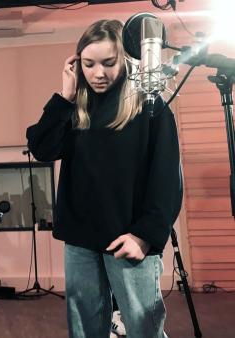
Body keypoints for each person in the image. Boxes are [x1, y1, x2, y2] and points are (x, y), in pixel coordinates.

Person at [26, 19, 182, 338]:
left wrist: (144, 236)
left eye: (109, 63)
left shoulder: (150, 106)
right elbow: (41, 148)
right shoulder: (75, 109)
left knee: (143, 328)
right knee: (84, 328)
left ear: (124, 60)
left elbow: (166, 180)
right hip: (81, 240)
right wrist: (64, 98)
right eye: (89, 64)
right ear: (77, 64)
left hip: (130, 237)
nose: (99, 73)